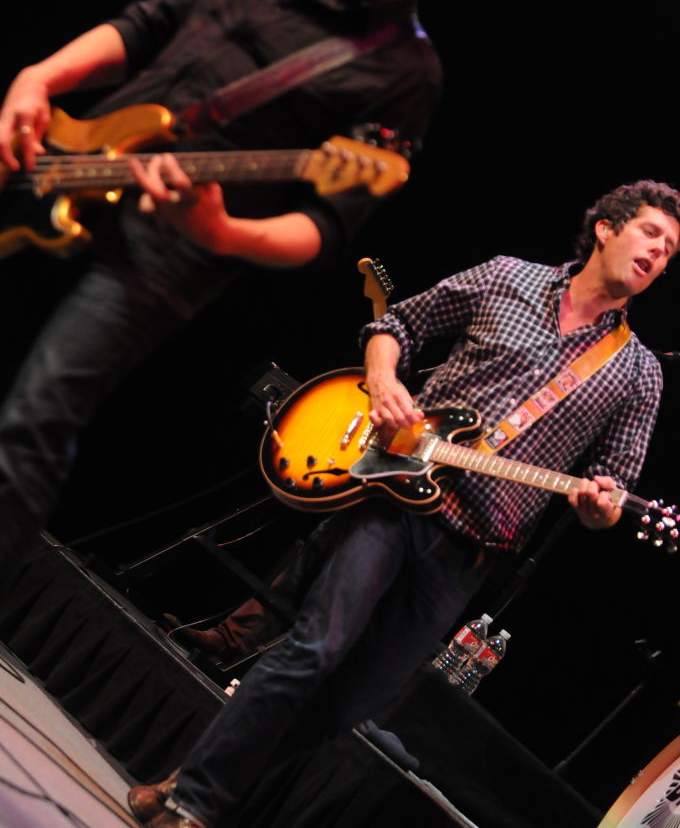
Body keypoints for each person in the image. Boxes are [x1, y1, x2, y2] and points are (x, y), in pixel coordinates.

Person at [0, 0, 478, 586]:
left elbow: (322, 229)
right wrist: (39, 79)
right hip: (61, 170)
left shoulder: (406, 73)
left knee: (33, 419)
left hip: (159, 262)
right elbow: (149, 23)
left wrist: (224, 230)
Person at [127, 179, 680, 828]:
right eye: (651, 233)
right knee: (315, 649)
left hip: (471, 550)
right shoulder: (509, 276)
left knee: (352, 704)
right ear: (607, 228)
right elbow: (398, 325)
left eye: (670, 251)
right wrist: (384, 380)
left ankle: (189, 780)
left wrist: (599, 506)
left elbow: (610, 488)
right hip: (396, 501)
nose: (658, 253)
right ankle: (195, 803)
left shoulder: (639, 373)